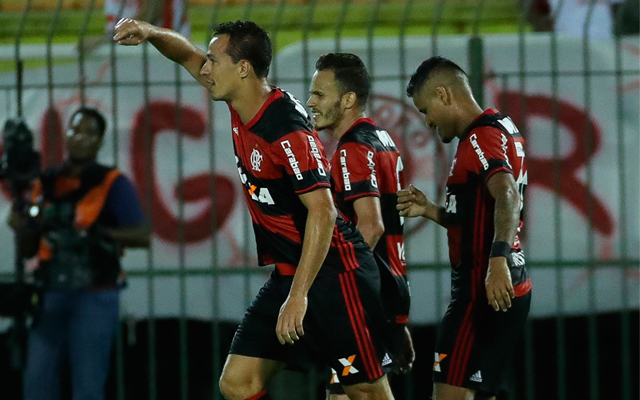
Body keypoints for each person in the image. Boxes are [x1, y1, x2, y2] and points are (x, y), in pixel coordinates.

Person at [113, 19, 396, 400]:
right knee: (237, 382)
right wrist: (150, 32)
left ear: (243, 68)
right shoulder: (238, 98)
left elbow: (323, 211)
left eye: (214, 60)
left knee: (364, 392)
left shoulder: (285, 126)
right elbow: (184, 54)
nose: (205, 68)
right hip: (290, 272)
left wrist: (298, 296)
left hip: (334, 274)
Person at [397, 56, 532, 400]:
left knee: (450, 393)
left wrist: (497, 260)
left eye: (426, 110)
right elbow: (476, 215)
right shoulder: (500, 128)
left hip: (480, 287)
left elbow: (508, 196)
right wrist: (430, 211)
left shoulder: (479, 138)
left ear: (444, 95)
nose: (426, 122)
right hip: (501, 281)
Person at [8, 107, 150, 400]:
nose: (79, 137)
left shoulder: (112, 182)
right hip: (50, 293)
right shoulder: (43, 184)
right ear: (66, 135)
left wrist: (98, 233)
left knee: (87, 385)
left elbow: (142, 234)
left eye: (89, 132)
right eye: (74, 130)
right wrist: (23, 225)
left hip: (96, 294)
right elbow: (27, 250)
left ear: (99, 141)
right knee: (37, 380)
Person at [306, 52, 415, 399]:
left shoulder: (352, 148)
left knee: (358, 394)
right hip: (387, 291)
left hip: (364, 298)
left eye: (320, 94)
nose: (310, 102)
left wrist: (341, 292)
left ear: (348, 99)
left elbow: (371, 227)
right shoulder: (383, 140)